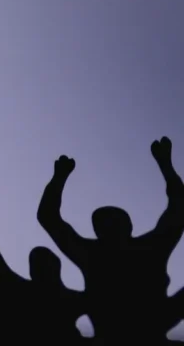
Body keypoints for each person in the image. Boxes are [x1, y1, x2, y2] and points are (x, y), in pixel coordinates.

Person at [38, 137, 184, 344]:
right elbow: (178, 206)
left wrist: (59, 177)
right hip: (131, 332)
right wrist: (166, 166)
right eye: (107, 223)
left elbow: (48, 217)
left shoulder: (94, 253)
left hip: (147, 328)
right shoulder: (149, 247)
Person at [0, 189, 84, 342]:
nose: (38, 269)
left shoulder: (72, 299)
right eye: (35, 266)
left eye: (41, 265)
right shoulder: (33, 292)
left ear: (55, 267)